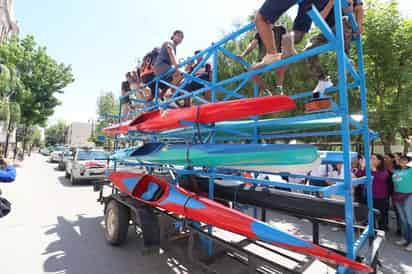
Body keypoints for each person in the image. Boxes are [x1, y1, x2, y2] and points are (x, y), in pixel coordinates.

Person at [305, 0, 364, 99]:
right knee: (309, 48)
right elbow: (319, 20)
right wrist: (331, 3)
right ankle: (323, 80)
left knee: (344, 20)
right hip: (329, 31)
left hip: (347, 28)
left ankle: (345, 58)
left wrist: (359, 25)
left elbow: (358, 8)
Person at [356, 154, 391, 231]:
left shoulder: (384, 170)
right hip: (369, 196)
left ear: (379, 161)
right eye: (371, 158)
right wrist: (362, 167)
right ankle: (372, 230)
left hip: (381, 197)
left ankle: (382, 230)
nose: (371, 160)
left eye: (373, 158)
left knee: (382, 215)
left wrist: (374, 170)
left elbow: (382, 178)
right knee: (370, 215)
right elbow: (359, 175)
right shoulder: (367, 169)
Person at [154, 30, 184, 102]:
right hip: (162, 66)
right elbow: (171, 53)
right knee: (181, 74)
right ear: (173, 36)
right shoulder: (169, 42)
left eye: (181, 37)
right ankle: (172, 96)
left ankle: (161, 96)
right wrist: (177, 68)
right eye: (178, 36)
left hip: (162, 68)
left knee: (173, 80)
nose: (180, 38)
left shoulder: (174, 46)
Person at [392, 155, 412, 251]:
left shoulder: (410, 171)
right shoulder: (397, 171)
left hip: (409, 196)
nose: (402, 161)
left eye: (405, 160)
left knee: (409, 219)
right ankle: (405, 238)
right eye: (401, 160)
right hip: (397, 196)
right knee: (403, 219)